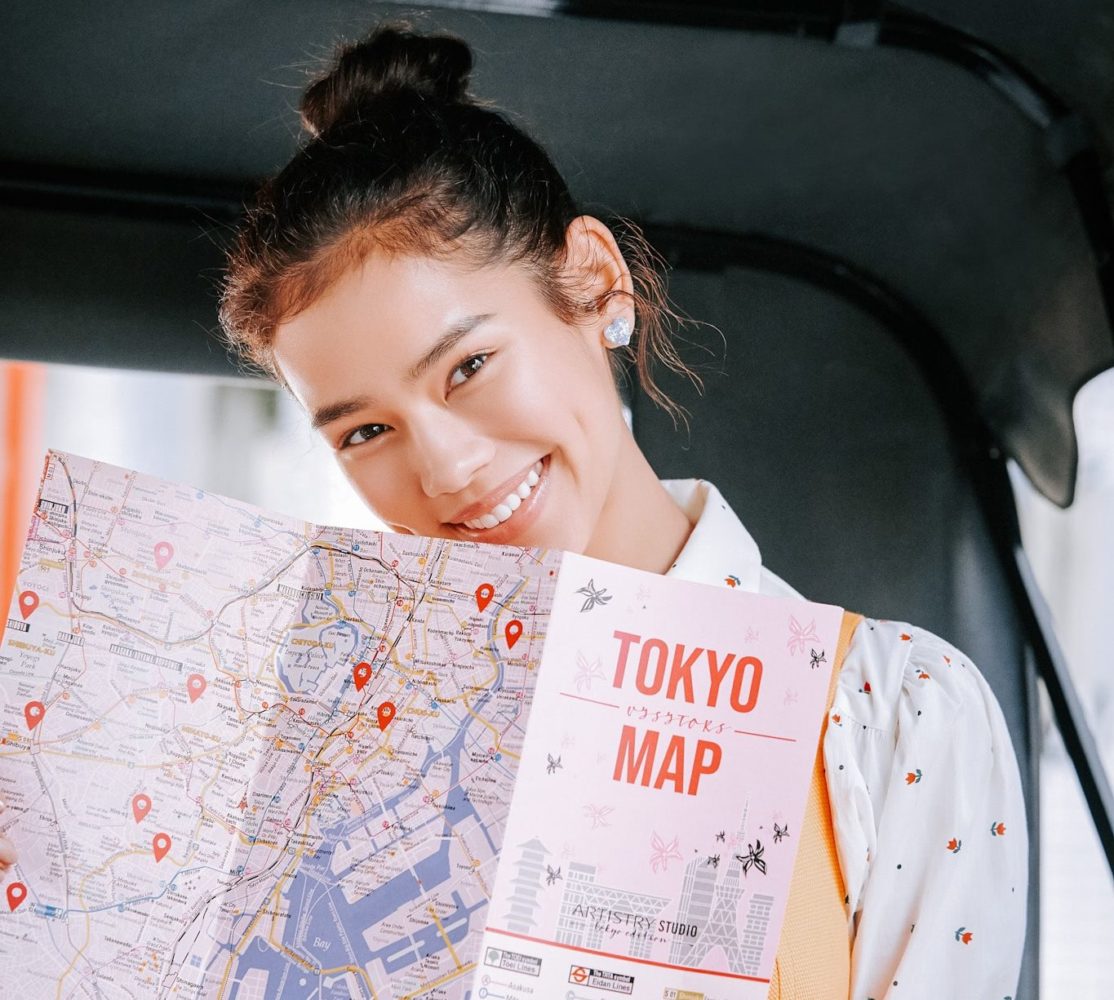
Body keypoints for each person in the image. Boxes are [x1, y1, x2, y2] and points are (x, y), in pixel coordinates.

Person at [1, 22, 1028, 999]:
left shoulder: (895, 711)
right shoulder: (297, 750)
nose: (443, 469)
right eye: (364, 432)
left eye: (469, 366)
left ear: (591, 282)